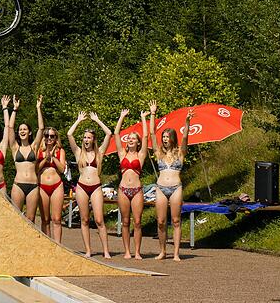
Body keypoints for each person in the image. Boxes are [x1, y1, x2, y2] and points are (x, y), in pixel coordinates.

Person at [150, 101, 193, 261]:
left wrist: (187, 122)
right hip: (161, 187)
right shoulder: (158, 153)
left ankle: (176, 253)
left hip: (176, 187)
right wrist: (153, 113)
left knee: (176, 220)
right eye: (164, 137)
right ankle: (162, 251)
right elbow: (153, 135)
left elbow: (186, 137)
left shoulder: (180, 153)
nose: (165, 139)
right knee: (161, 221)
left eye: (167, 137)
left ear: (173, 138)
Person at [67, 111, 113, 258]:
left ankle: (106, 250)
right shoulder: (78, 152)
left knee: (99, 220)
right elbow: (69, 134)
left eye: (89, 137)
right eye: (85, 137)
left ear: (93, 140)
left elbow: (109, 133)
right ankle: (88, 250)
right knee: (84, 219)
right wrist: (78, 120)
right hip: (81, 186)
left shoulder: (99, 152)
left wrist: (97, 120)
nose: (86, 140)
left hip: (95, 187)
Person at [113, 109, 149, 259]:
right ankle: (127, 251)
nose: (130, 140)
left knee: (138, 221)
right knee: (125, 221)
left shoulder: (141, 155)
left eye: (133, 138)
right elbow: (116, 134)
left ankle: (137, 252)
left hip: (136, 189)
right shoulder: (122, 154)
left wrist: (143, 119)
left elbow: (146, 136)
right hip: (123, 189)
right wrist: (121, 117)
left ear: (138, 142)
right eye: (129, 138)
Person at [7, 95, 44, 222]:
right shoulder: (14, 148)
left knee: (31, 218)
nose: (22, 131)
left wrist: (38, 108)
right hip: (18, 185)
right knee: (16, 218)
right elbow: (10, 128)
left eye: (25, 129)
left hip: (33, 185)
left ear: (29, 132)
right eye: (20, 129)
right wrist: (15, 110)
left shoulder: (34, 146)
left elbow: (41, 128)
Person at [37, 126, 67, 242]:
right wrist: (46, 159)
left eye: (52, 136)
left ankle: (58, 246)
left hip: (56, 186)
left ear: (56, 138)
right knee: (45, 219)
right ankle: (46, 244)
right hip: (42, 186)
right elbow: (36, 169)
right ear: (43, 137)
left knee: (57, 219)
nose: (49, 138)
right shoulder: (39, 150)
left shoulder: (61, 151)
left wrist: (53, 158)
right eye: (46, 136)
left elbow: (62, 169)